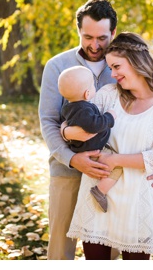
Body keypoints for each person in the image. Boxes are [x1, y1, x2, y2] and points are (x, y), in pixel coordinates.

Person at [39, 0, 153, 260]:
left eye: (101, 38)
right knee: (61, 246)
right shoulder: (57, 67)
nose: (94, 45)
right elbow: (48, 120)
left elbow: (149, 113)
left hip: (114, 172)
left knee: (112, 244)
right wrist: (73, 158)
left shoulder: (124, 66)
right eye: (87, 37)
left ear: (113, 32)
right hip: (66, 171)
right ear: (78, 32)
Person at [66, 32, 153, 259]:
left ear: (136, 61)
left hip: (135, 202)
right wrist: (65, 131)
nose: (112, 74)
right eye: (110, 68)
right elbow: (78, 122)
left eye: (117, 66)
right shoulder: (107, 95)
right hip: (96, 196)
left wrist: (115, 160)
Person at [57, 65, 121, 213]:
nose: (94, 88)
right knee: (117, 167)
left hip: (84, 146)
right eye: (92, 86)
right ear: (87, 94)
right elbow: (95, 125)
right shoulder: (84, 110)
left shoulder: (69, 107)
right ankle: (100, 190)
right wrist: (110, 116)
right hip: (91, 149)